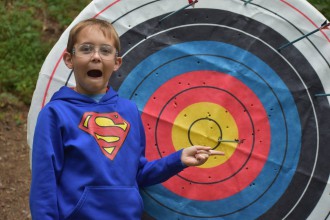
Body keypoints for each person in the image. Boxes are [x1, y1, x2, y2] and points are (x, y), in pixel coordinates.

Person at [29, 18, 224, 219]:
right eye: (86, 49)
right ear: (69, 59)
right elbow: (44, 184)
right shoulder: (55, 113)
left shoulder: (129, 111)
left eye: (105, 51)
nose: (96, 56)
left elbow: (138, 173)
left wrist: (178, 159)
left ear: (116, 62)